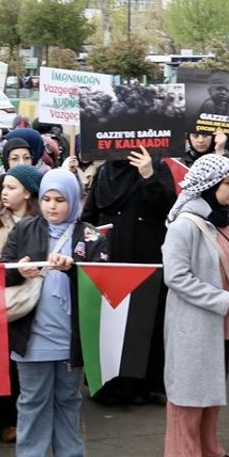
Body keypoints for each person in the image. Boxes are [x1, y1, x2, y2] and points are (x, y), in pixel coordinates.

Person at [0, 169, 107, 457]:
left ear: (73, 200)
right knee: (32, 401)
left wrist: (74, 270)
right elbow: (2, 272)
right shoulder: (25, 229)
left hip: (70, 338)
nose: (51, 206)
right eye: (46, 199)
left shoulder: (89, 235)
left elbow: (103, 282)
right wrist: (20, 271)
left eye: (60, 200)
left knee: (68, 400)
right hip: (30, 338)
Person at [161, 155, 229, 457]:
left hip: (223, 318)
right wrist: (219, 300)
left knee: (211, 387)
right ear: (209, 187)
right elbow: (176, 277)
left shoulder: (227, 220)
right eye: (228, 184)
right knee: (188, 392)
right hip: (195, 322)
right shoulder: (185, 224)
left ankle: (208, 449)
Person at [81, 146, 177, 404]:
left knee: (143, 323)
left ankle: (143, 387)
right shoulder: (104, 173)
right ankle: (110, 385)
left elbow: (170, 209)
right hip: (111, 262)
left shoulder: (156, 167)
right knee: (112, 325)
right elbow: (88, 218)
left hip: (145, 260)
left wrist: (149, 176)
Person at [0, 165, 42, 261]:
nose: (4, 192)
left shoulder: (42, 225)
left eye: (11, 188)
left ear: (27, 193)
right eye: (4, 187)